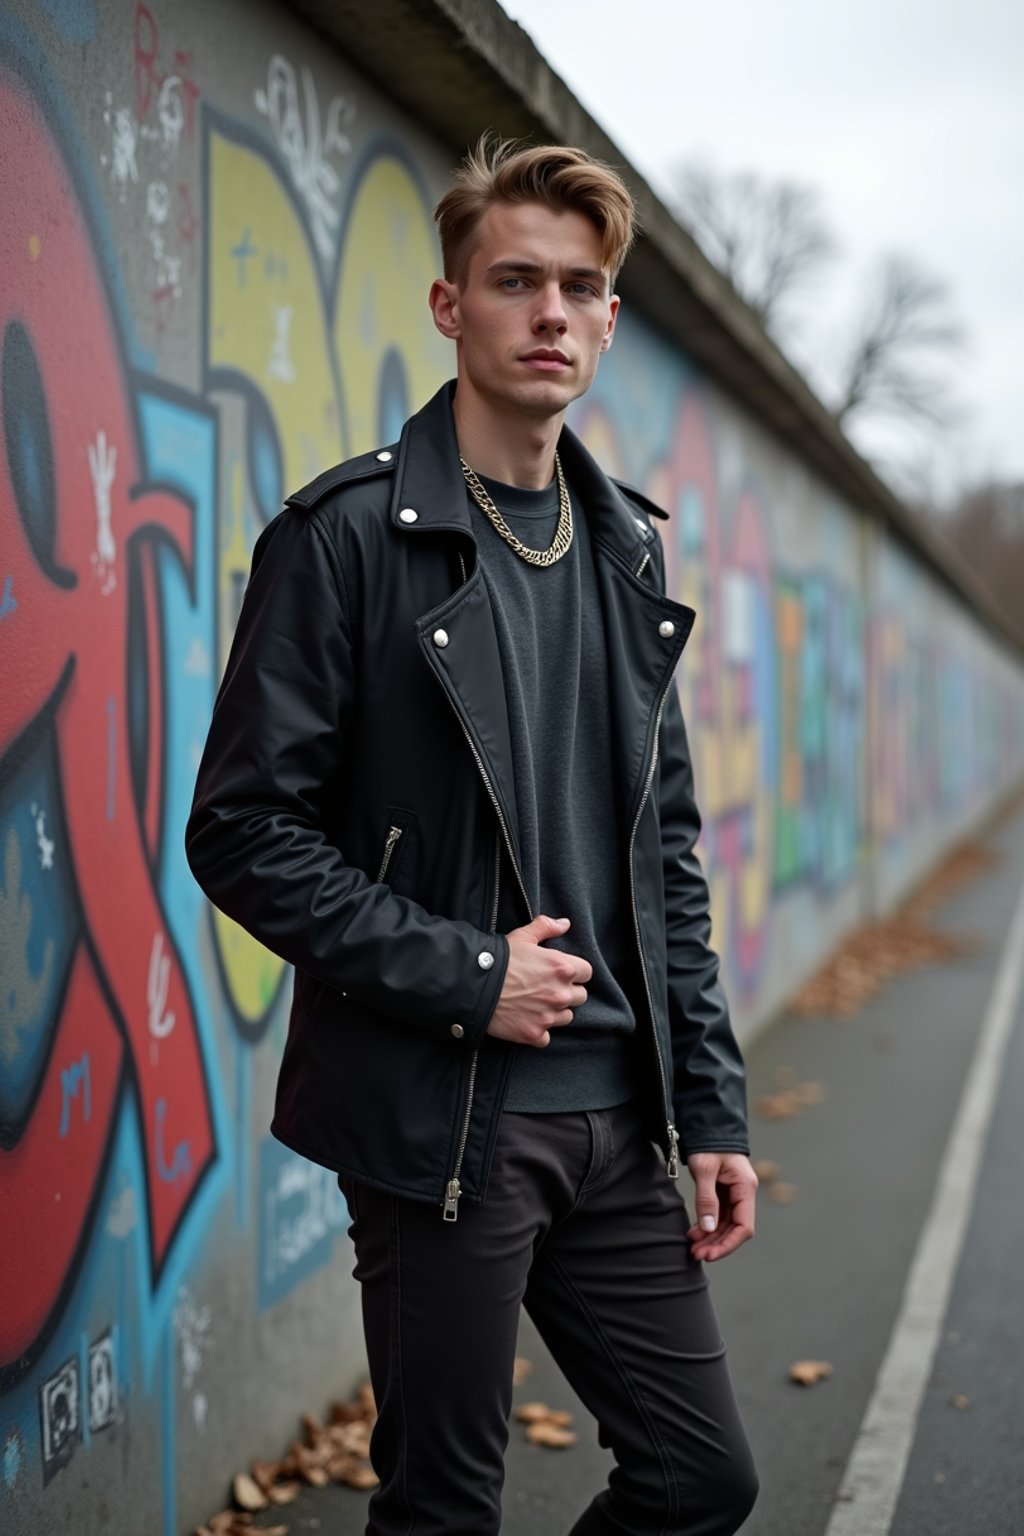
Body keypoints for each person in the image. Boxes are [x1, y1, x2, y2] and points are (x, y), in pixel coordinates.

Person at [187, 135, 759, 1536]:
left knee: (702, 1479)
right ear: (453, 307)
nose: (550, 311)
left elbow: (663, 853)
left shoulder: (627, 550)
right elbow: (242, 830)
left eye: (580, 286)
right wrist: (467, 974)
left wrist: (713, 1101)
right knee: (445, 1507)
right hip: (452, 1123)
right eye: (516, 281)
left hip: (622, 1121)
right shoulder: (345, 541)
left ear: (610, 318)